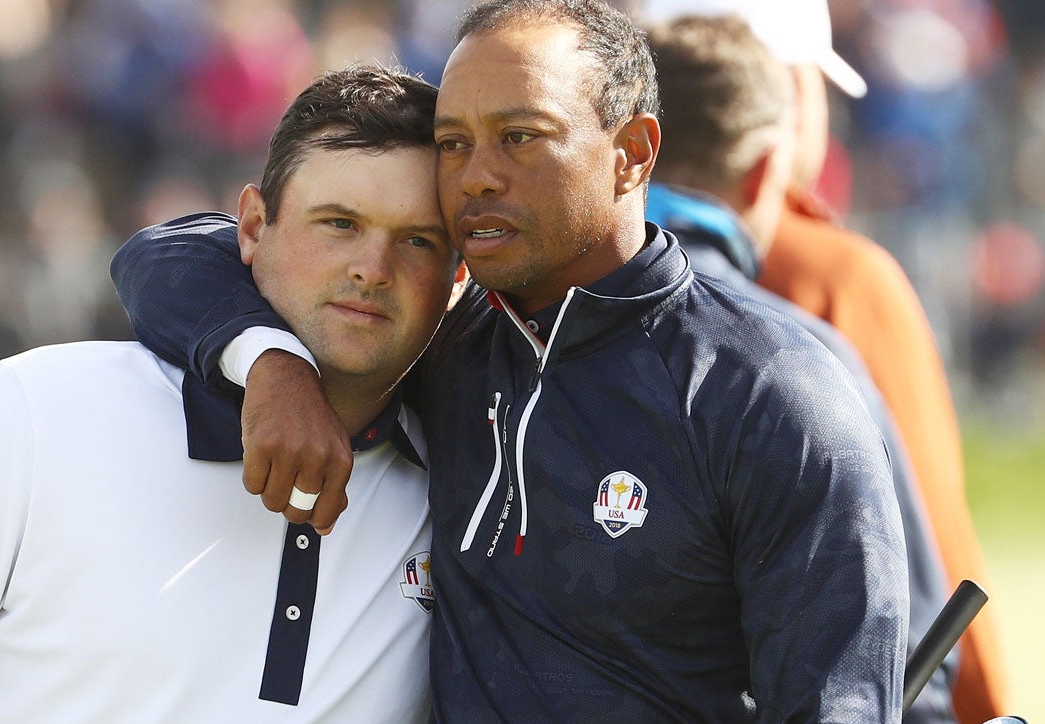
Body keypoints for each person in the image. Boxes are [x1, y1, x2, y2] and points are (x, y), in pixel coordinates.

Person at [110, 0, 911, 719]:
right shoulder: (445, 346)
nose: (475, 177)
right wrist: (273, 365)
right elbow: (166, 256)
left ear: (632, 152)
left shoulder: (771, 395)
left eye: (519, 137)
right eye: (453, 144)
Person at [0, 65, 463, 723]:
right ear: (254, 228)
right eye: (339, 223)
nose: (372, 269)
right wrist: (271, 359)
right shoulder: (38, 411)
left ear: (456, 274)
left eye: (417, 241)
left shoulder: (465, 481)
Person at [639, 1, 1010, 719]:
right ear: (773, 95)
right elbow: (927, 572)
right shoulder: (840, 279)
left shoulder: (541, 289)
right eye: (815, 85)